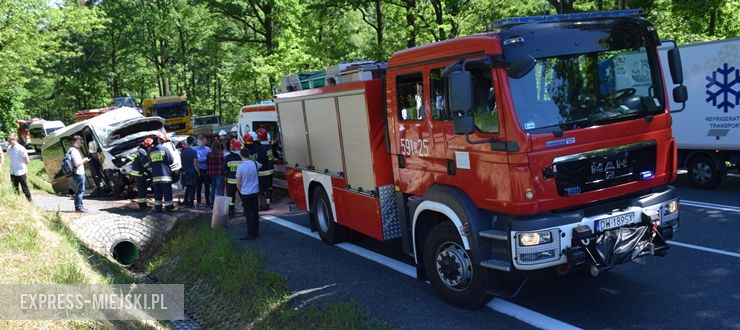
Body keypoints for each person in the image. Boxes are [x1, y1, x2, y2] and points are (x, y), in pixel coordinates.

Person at [149, 133, 178, 212]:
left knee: (157, 192)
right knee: (167, 192)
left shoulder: (151, 150)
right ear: (160, 140)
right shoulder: (164, 149)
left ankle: (158, 208)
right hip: (164, 175)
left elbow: (150, 163)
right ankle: (169, 207)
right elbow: (171, 160)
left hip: (155, 176)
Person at [236, 147, 260, 240]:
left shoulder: (240, 167)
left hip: (245, 192)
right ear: (249, 155)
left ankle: (250, 233)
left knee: (248, 214)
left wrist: (241, 191)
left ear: (241, 155)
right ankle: (256, 231)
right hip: (255, 191)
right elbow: (260, 165)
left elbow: (238, 182)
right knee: (255, 212)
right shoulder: (255, 163)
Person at [6, 133, 32, 201]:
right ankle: (18, 201)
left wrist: (22, 167)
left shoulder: (21, 148)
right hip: (13, 171)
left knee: (24, 188)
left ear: (14, 139)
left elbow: (27, 160)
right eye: (8, 140)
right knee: (15, 188)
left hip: (21, 172)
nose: (8, 141)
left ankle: (30, 201)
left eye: (9, 140)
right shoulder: (9, 148)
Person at [130, 138, 153, 209]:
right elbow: (145, 164)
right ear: (147, 145)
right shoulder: (142, 151)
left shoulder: (138, 150)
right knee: (142, 190)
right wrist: (152, 162)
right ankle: (143, 206)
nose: (150, 147)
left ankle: (142, 204)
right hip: (139, 173)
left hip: (137, 173)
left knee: (141, 189)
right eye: (150, 145)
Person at [255, 128, 274, 211]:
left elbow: (258, 161)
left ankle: (260, 204)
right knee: (268, 189)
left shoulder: (258, 148)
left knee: (260, 189)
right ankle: (268, 204)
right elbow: (270, 158)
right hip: (269, 171)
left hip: (261, 172)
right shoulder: (269, 146)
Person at [69, 135, 90, 212]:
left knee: (81, 190)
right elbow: (75, 164)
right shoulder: (73, 151)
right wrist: (83, 160)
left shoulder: (73, 150)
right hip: (78, 173)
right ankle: (78, 207)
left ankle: (80, 206)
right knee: (80, 191)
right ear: (77, 141)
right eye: (80, 141)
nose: (81, 143)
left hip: (79, 173)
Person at [224, 138, 243, 217]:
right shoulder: (242, 157)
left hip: (231, 181)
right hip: (241, 181)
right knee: (243, 196)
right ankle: (245, 210)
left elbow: (225, 170)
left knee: (231, 197)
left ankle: (231, 212)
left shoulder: (227, 158)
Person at [179, 137, 199, 208]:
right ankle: (191, 204)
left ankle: (185, 202)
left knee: (187, 187)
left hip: (185, 172)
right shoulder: (194, 152)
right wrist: (198, 172)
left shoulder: (182, 152)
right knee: (193, 188)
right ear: (193, 142)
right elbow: (195, 164)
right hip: (192, 172)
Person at [194, 135, 211, 206]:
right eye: (202, 140)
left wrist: (201, 159)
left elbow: (209, 158)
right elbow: (196, 160)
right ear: (198, 141)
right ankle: (199, 201)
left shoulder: (208, 149)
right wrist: (205, 158)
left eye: (204, 141)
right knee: (199, 187)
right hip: (198, 170)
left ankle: (207, 201)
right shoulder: (194, 149)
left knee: (207, 187)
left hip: (206, 170)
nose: (204, 142)